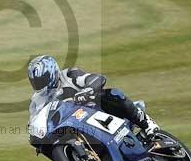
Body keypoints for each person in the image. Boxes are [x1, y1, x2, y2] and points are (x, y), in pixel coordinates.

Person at [27, 54, 160, 139]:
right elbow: (36, 117)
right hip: (74, 128)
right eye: (35, 81)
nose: (39, 84)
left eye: (41, 79)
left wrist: (87, 91)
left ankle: (147, 123)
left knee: (114, 94)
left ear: (51, 72)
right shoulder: (38, 99)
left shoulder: (69, 75)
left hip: (95, 111)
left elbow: (96, 79)